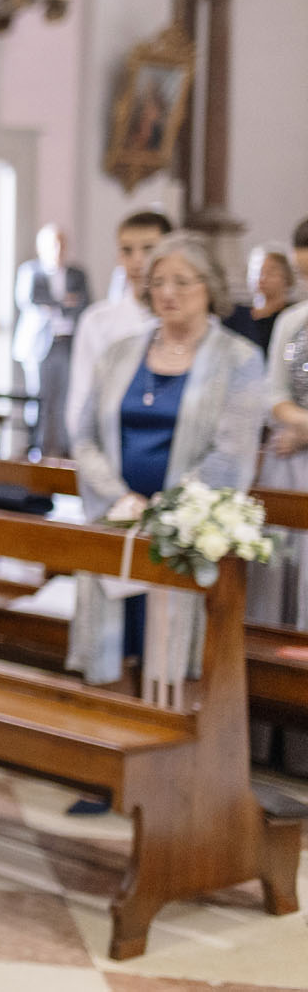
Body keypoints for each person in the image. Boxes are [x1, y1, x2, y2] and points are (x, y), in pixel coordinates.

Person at [68, 233, 265, 687]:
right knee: (112, 665)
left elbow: (232, 455)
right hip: (117, 522)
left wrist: (165, 509)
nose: (168, 292)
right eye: (158, 282)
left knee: (171, 672)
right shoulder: (120, 353)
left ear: (210, 287)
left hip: (184, 536)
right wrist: (121, 500)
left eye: (182, 281)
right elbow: (84, 437)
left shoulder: (239, 360)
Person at [66, 211, 173, 445]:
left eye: (148, 249)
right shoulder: (97, 321)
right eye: (127, 250)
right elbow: (80, 403)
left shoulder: (182, 322)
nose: (137, 260)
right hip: (109, 450)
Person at [260, 282, 308, 771]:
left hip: (299, 446)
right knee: (278, 599)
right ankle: (271, 740)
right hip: (288, 467)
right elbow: (271, 392)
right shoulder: (293, 320)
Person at [14, 223, 91, 459]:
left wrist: (58, 304)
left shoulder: (77, 273)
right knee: (40, 399)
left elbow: (84, 303)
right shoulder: (31, 271)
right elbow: (31, 301)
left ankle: (62, 449)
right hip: (39, 344)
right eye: (52, 244)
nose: (57, 249)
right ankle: (37, 447)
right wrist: (62, 302)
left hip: (66, 343)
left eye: (61, 243)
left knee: (65, 399)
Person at [224, 243, 297, 353]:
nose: (261, 278)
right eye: (256, 271)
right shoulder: (234, 316)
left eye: (270, 272)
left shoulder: (294, 315)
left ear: (287, 277)